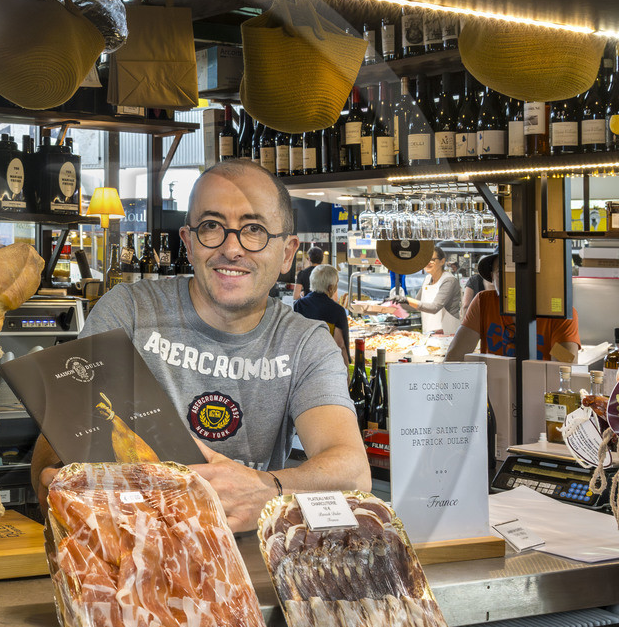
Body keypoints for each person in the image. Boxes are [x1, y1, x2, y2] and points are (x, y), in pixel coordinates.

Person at [31, 159, 371, 531]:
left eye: (253, 229)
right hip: (128, 549)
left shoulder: (305, 343)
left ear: (288, 253)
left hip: (238, 567)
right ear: (189, 243)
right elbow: (55, 451)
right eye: (212, 227)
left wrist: (268, 489)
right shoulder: (128, 311)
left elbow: (354, 474)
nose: (232, 248)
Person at [445, 255, 581, 362]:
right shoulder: (484, 303)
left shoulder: (558, 313)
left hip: (540, 393)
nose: (512, 279)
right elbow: (454, 357)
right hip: (492, 393)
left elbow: (564, 368)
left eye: (520, 271)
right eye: (502, 272)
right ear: (492, 277)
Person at [293, 262, 350, 365]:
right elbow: (341, 345)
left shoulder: (298, 305)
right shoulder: (337, 311)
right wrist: (347, 376)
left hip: (301, 364)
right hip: (326, 365)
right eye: (336, 284)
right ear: (330, 288)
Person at [399, 248, 462, 336]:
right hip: (429, 333)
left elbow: (434, 307)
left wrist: (406, 300)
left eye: (432, 259)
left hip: (447, 334)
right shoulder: (427, 279)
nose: (428, 262)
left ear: (442, 261)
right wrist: (397, 302)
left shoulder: (449, 280)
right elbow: (416, 306)